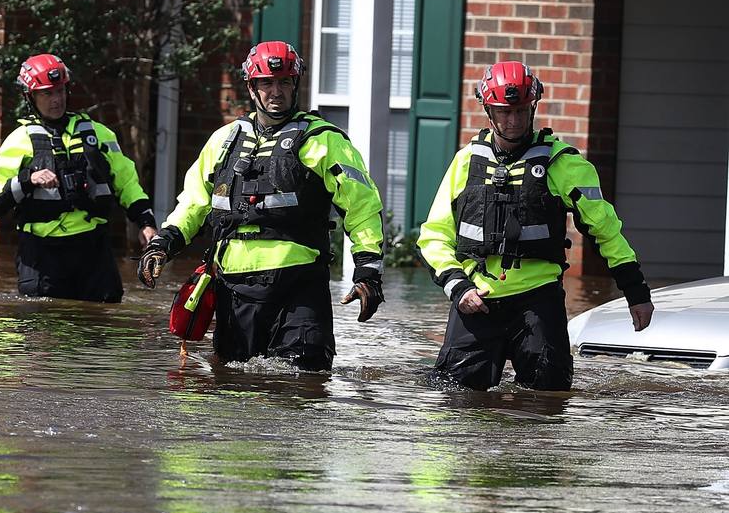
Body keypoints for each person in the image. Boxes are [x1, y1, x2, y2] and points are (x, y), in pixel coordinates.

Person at [137, 41, 385, 370]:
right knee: (230, 384)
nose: (276, 92)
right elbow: (194, 203)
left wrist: (368, 271)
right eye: (266, 83)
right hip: (233, 291)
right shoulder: (224, 140)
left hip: (298, 290)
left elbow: (362, 206)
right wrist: (162, 244)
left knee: (302, 384)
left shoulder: (325, 140)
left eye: (284, 82)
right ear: (251, 87)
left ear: (296, 84)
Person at [416, 60, 654, 391]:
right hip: (475, 298)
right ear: (488, 111)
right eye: (504, 112)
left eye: (520, 111)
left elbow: (606, 231)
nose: (513, 121)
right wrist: (458, 287)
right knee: (454, 398)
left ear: (533, 108)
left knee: (548, 399)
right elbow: (433, 236)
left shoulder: (565, 164)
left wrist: (636, 293)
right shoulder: (465, 162)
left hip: (538, 302)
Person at [0, 53, 157, 303]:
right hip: (42, 254)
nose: (56, 99)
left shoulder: (99, 134)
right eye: (47, 93)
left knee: (103, 318)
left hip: (93, 251)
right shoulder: (19, 140)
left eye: (60, 91)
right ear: (30, 96)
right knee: (40, 321)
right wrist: (28, 179)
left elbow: (127, 184)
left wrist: (146, 222)